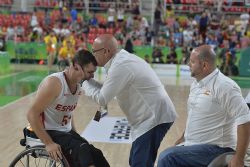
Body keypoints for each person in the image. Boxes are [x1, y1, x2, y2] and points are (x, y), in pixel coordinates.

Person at [82, 34, 177, 167]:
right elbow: (107, 90)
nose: (92, 55)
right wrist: (88, 81)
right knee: (136, 161)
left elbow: (102, 98)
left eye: (94, 51)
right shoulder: (120, 61)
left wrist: (83, 82)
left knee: (139, 163)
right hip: (150, 117)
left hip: (154, 118)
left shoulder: (121, 65)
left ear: (106, 51)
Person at [157, 45, 250, 167]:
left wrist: (239, 158)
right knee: (171, 153)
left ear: (204, 65)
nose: (188, 65)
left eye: (192, 62)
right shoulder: (196, 84)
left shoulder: (225, 86)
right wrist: (183, 137)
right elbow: (195, 115)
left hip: (217, 149)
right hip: (195, 146)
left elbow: (245, 120)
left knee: (168, 157)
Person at [27, 50, 110, 167]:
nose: (92, 76)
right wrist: (49, 143)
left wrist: (75, 134)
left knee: (96, 154)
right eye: (90, 72)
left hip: (64, 132)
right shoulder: (54, 83)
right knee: (82, 150)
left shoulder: (78, 85)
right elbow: (31, 114)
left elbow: (67, 112)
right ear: (76, 67)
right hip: (46, 131)